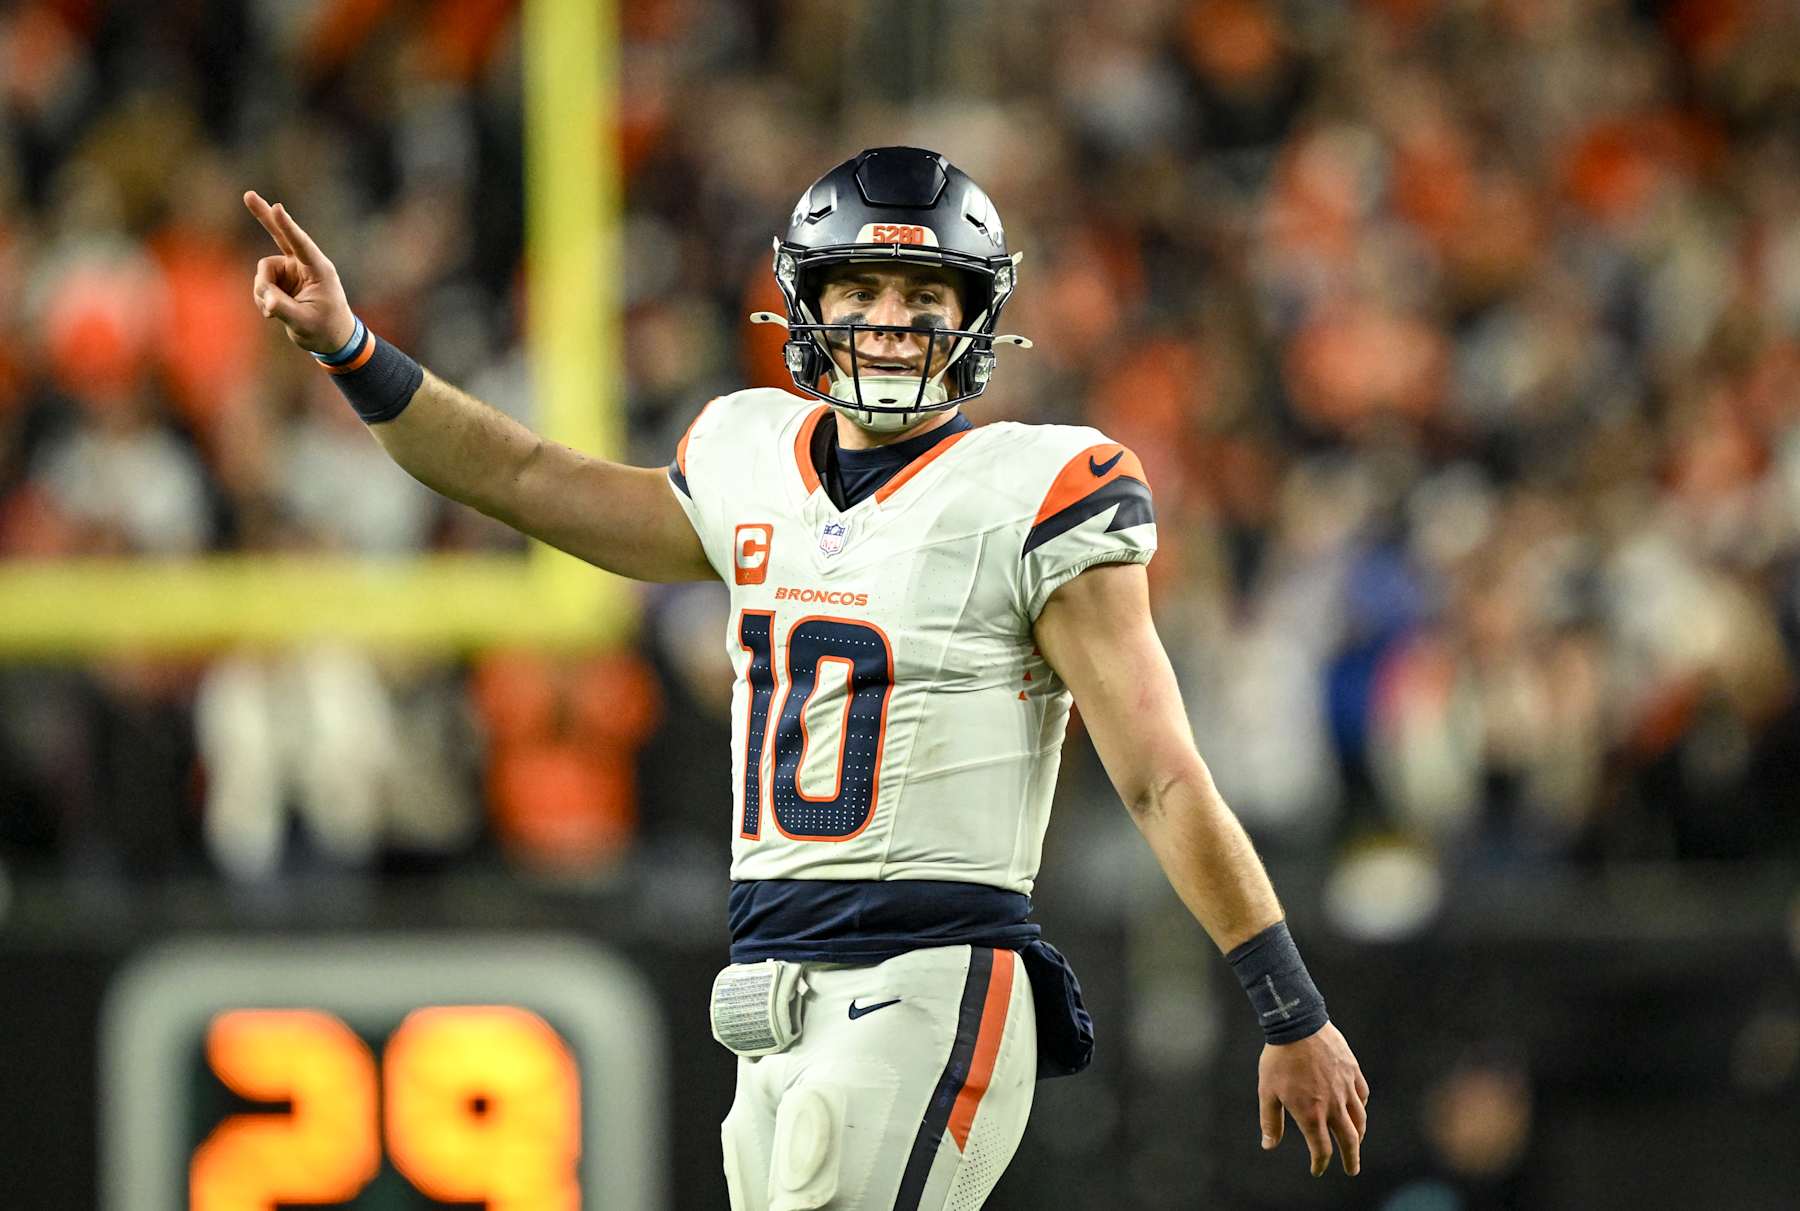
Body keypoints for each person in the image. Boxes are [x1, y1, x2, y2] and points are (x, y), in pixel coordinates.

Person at [245, 145, 1369, 1210]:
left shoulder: (1036, 488)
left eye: (925, 298)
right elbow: (526, 477)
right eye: (864, 290)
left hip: (931, 969)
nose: (891, 323)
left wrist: (1287, 1003)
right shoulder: (746, 454)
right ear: (809, 303)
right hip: (775, 985)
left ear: (974, 319)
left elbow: (1162, 777)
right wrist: (354, 347)